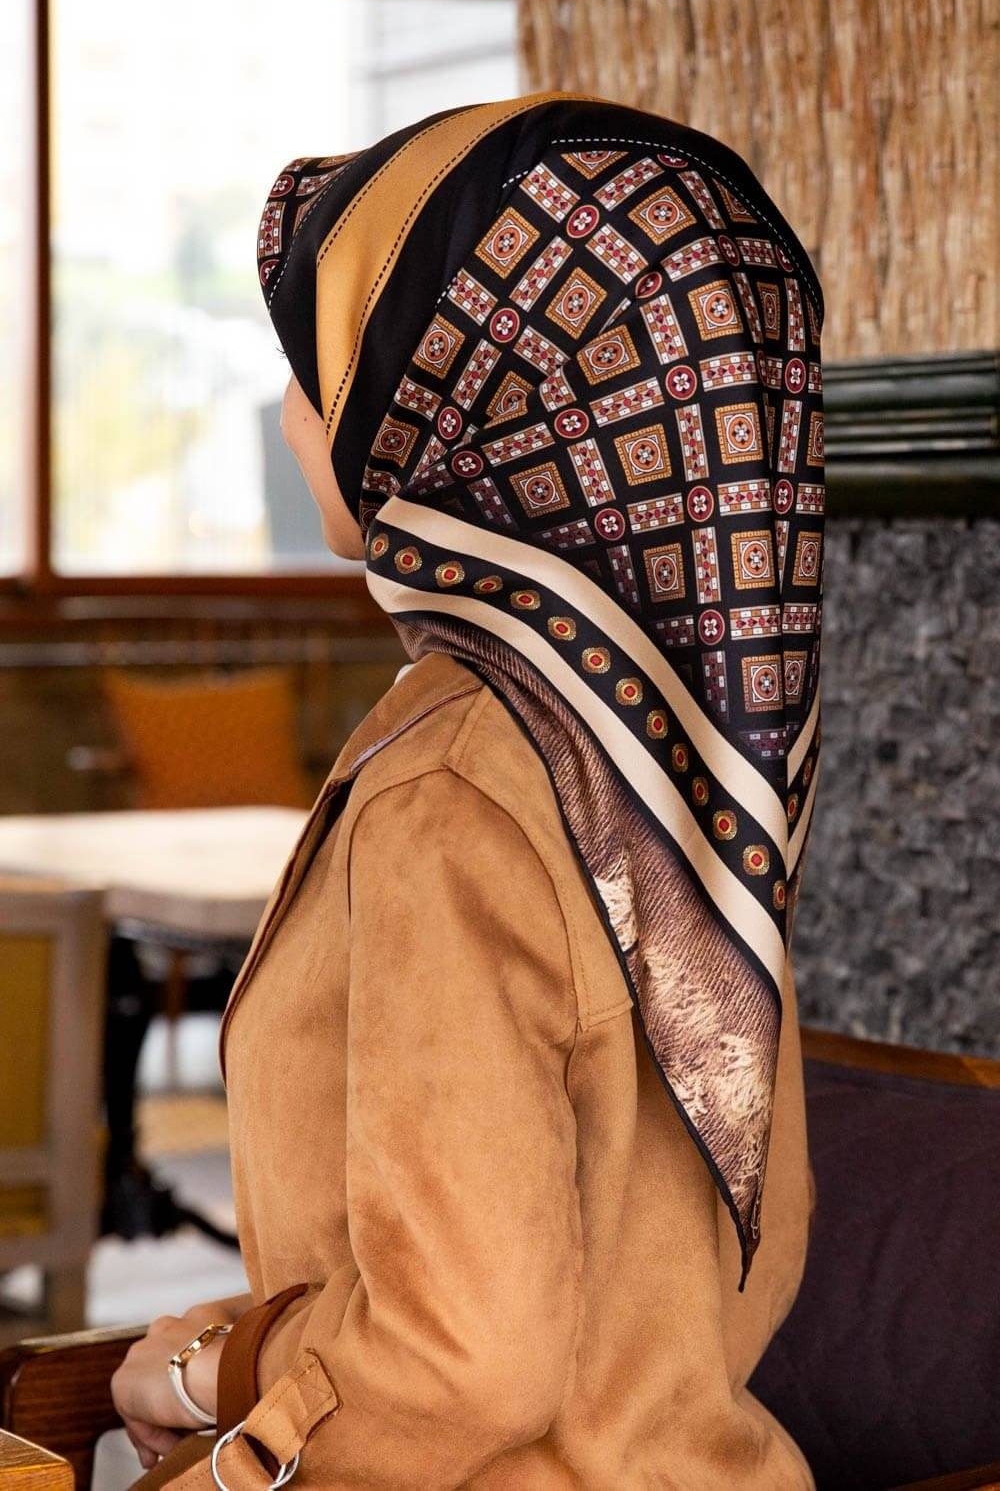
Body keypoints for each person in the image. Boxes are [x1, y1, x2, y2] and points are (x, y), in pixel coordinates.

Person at [112, 92, 825, 1489]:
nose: (294, 415)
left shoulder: (452, 787)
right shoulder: (692, 745)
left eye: (323, 368)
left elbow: (463, 1360)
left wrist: (210, 1405)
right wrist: (236, 1356)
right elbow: (738, 1250)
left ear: (452, 402)